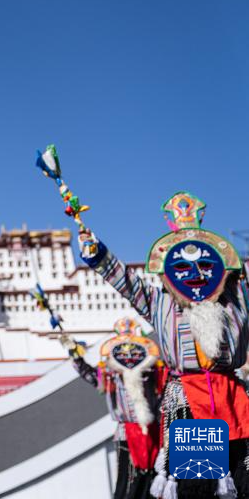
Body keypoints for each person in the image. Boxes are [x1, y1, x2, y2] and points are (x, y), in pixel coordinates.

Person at [78, 192, 249, 498]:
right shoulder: (159, 303)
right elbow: (127, 282)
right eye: (183, 267)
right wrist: (99, 254)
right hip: (189, 399)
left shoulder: (237, 297)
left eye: (206, 265)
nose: (196, 274)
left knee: (245, 483)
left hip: (234, 398)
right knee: (198, 487)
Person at [60, 318, 165, 499]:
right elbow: (91, 376)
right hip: (126, 432)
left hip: (153, 431)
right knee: (128, 482)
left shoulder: (153, 370)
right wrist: (75, 355)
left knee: (153, 482)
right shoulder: (110, 373)